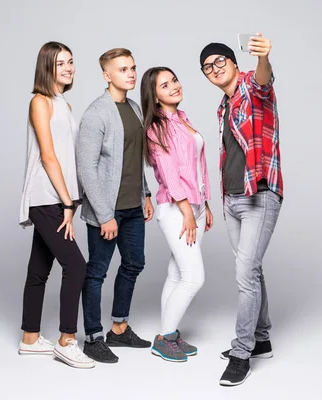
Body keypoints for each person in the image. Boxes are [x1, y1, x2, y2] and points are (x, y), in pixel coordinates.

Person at [199, 33, 283, 386]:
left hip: (259, 195)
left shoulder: (251, 85)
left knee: (244, 275)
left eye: (220, 61)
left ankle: (242, 351)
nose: (214, 69)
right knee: (252, 269)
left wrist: (264, 58)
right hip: (233, 197)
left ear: (234, 63)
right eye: (207, 67)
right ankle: (261, 338)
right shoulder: (223, 105)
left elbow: (264, 80)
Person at [18, 41, 95, 369]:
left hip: (59, 197)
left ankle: (30, 339)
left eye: (71, 62)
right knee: (77, 266)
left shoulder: (64, 103)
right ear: (46, 67)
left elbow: (68, 156)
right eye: (60, 63)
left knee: (38, 270)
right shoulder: (40, 101)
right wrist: (67, 202)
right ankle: (67, 340)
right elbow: (48, 157)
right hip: (47, 197)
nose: (68, 68)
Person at [76, 48, 154, 364]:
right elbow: (86, 167)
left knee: (134, 263)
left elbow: (136, 157)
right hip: (107, 211)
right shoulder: (97, 113)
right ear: (107, 75)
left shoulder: (134, 108)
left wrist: (146, 194)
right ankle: (93, 337)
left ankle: (119, 329)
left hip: (133, 206)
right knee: (96, 272)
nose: (131, 74)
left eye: (133, 67)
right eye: (123, 69)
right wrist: (105, 215)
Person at [140, 67, 213, 362]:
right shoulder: (156, 127)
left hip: (193, 206)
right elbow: (170, 175)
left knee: (176, 273)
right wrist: (187, 211)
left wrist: (204, 205)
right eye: (164, 85)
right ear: (154, 96)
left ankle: (169, 334)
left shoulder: (182, 119)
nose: (174, 87)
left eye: (174, 80)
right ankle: (163, 338)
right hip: (175, 208)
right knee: (193, 277)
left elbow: (196, 167)